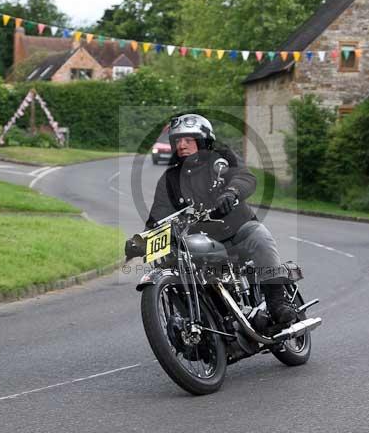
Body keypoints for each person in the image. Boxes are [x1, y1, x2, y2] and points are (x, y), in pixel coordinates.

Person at [126, 114, 297, 324]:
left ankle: (277, 303)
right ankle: (207, 320)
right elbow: (158, 216)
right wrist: (142, 241)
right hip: (201, 242)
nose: (182, 145)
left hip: (237, 229)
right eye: (178, 140)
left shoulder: (221, 159)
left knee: (261, 238)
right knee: (177, 265)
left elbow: (244, 177)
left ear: (203, 140)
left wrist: (231, 193)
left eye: (188, 140)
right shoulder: (170, 179)